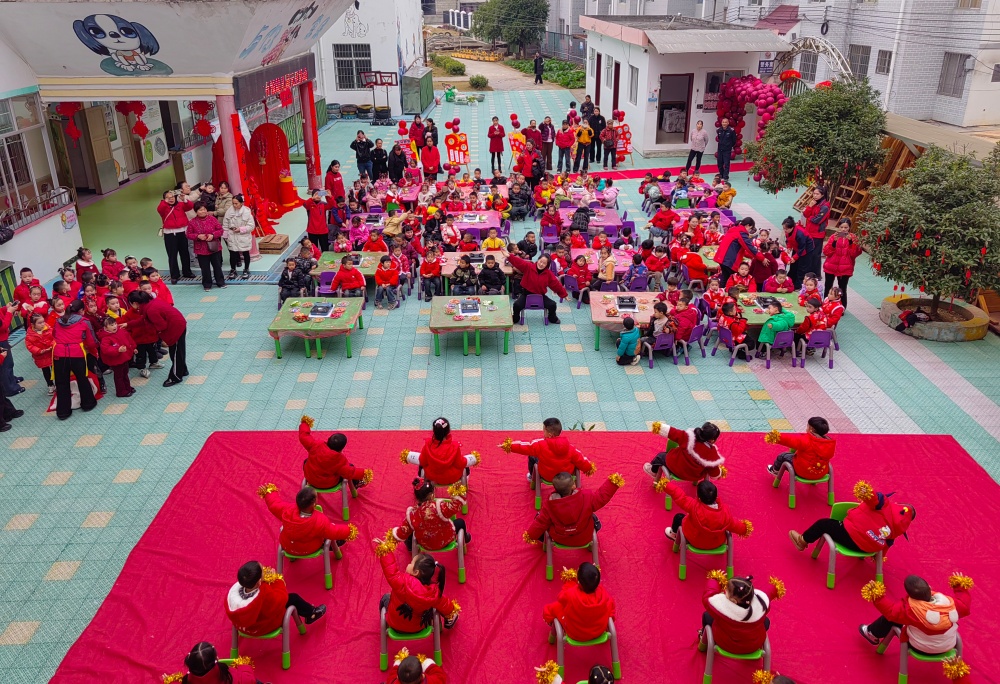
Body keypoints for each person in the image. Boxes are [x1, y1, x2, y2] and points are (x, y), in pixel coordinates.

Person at [788, 479, 916, 554]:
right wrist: (878, 557)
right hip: (868, 549)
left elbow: (873, 499)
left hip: (851, 535)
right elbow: (887, 544)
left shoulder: (884, 505)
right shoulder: (897, 529)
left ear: (899, 506)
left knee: (823, 524)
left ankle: (802, 541)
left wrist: (866, 491)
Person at [858, 573, 972, 654]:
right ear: (929, 587)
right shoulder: (950, 604)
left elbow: (890, 612)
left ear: (910, 595)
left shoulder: (909, 609)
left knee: (892, 618)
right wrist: (959, 587)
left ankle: (871, 633)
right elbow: (964, 604)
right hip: (948, 646)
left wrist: (877, 596)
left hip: (919, 647)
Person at [225, 560, 327, 636]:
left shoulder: (233, 593)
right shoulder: (264, 593)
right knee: (293, 598)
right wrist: (277, 580)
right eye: (263, 571)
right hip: (263, 627)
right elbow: (282, 598)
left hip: (243, 627)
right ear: (259, 582)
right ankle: (311, 613)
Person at [526, 470, 622, 549]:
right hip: (584, 536)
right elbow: (601, 497)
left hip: (560, 539)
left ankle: (545, 547)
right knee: (593, 518)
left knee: (541, 517)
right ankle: (590, 548)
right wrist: (613, 483)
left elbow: (540, 523)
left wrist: (531, 536)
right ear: (573, 485)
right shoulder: (587, 497)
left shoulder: (549, 505)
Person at [259, 483, 357, 556]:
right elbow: (333, 531)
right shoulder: (319, 520)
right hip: (309, 549)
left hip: (288, 546)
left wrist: (269, 492)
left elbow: (274, 505)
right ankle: (336, 551)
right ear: (314, 504)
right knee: (330, 529)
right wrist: (349, 531)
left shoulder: (286, 510)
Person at [700, 572, 783, 657]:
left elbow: (708, 597)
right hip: (753, 646)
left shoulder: (722, 609)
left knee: (707, 616)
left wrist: (714, 580)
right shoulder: (761, 604)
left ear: (733, 601)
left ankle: (703, 643)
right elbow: (767, 594)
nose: (724, 592)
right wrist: (774, 587)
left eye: (726, 591)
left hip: (727, 645)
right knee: (765, 621)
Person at [504, 417, 595, 482]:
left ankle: (532, 477)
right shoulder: (570, 448)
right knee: (574, 460)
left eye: (544, 430)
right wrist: (589, 468)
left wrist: (509, 445)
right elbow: (581, 460)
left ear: (550, 434)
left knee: (532, 456)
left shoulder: (540, 445)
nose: (543, 432)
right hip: (565, 476)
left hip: (547, 476)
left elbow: (525, 447)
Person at [392, 477, 470, 553]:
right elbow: (456, 505)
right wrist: (457, 491)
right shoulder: (439, 507)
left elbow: (402, 532)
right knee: (460, 522)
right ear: (432, 495)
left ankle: (410, 547)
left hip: (425, 544)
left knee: (410, 528)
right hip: (445, 540)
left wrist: (389, 542)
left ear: (417, 497)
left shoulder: (412, 514)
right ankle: (465, 539)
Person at [127, 291, 187, 387]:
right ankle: (182, 370)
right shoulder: (151, 304)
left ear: (134, 303)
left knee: (176, 353)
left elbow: (161, 326)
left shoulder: (151, 310)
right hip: (178, 324)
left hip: (175, 328)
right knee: (178, 351)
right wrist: (128, 324)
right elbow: (144, 320)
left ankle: (175, 377)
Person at [543, 562, 615, 642]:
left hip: (575, 633)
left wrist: (569, 581)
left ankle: (552, 637)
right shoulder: (603, 593)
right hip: (599, 631)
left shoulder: (571, 594)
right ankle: (606, 627)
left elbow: (561, 597)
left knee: (554, 607)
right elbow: (610, 605)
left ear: (578, 582)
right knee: (609, 604)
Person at [52, 300, 99, 419]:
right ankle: (88, 404)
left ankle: (63, 412)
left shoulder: (58, 321)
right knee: (82, 379)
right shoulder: (84, 321)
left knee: (61, 382)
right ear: (81, 310)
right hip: (76, 353)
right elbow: (92, 342)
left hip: (59, 354)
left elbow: (54, 335)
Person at [403, 417, 479, 486]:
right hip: (452, 477)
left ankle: (424, 487)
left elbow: (422, 461)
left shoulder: (427, 446)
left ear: (434, 431)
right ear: (448, 431)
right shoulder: (454, 447)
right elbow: (460, 463)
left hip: (432, 477)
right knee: (465, 468)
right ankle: (462, 489)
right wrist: (472, 458)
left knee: (421, 467)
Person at [644, 421, 724, 483]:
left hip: (675, 468)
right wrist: (720, 472)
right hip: (694, 476)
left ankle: (653, 471)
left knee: (660, 456)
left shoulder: (689, 437)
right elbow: (714, 474)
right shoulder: (712, 454)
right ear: (712, 440)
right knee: (707, 469)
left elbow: (673, 433)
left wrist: (659, 427)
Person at [765, 416, 835, 482]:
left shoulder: (806, 440)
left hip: (803, 471)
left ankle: (775, 471)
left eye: (807, 426)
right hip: (821, 473)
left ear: (811, 429)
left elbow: (789, 440)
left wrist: (775, 437)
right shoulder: (829, 443)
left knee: (783, 456)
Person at [157, 189, 196, 284]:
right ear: (164, 199)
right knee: (172, 255)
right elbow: (159, 209)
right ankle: (174, 275)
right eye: (168, 198)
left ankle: (187, 272)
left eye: (172, 197)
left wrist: (184, 199)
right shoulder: (163, 208)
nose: (171, 199)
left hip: (182, 233)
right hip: (170, 234)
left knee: (185, 253)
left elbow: (190, 206)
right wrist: (165, 201)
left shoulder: (180, 205)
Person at [186, 201, 226, 291]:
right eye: (200, 210)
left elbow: (220, 230)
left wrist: (213, 235)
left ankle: (220, 282)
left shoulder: (212, 219)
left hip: (214, 247)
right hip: (201, 249)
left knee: (217, 266)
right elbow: (188, 234)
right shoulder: (192, 222)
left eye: (204, 209)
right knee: (205, 268)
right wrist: (198, 236)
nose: (203, 211)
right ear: (196, 211)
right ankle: (207, 284)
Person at [822, 218, 861, 309]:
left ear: (849, 228)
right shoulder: (833, 236)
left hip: (845, 268)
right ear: (838, 227)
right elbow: (826, 252)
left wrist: (851, 242)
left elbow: (855, 254)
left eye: (846, 227)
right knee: (828, 286)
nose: (843, 229)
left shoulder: (853, 238)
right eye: (841, 227)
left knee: (842, 288)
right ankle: (825, 305)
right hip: (831, 265)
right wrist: (834, 242)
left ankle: (842, 307)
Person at [98, 317, 135, 398]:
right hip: (116, 360)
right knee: (119, 376)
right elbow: (106, 349)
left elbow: (129, 339)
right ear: (105, 327)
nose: (114, 326)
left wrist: (133, 348)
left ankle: (127, 387)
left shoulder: (121, 331)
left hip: (124, 357)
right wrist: (117, 349)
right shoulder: (105, 338)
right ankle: (121, 391)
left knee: (125, 373)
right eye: (111, 325)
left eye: (115, 324)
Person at [714, 217, 758, 285]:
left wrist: (751, 256)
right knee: (733, 280)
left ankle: (721, 290)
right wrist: (761, 257)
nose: (749, 231)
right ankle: (727, 290)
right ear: (748, 225)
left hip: (722, 258)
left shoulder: (733, 229)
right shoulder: (742, 233)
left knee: (725, 278)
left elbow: (741, 249)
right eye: (750, 228)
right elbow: (750, 248)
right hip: (730, 261)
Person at [801, 185, 830, 277]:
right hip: (809, 233)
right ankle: (808, 273)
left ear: (822, 195)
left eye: (817, 194)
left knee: (815, 255)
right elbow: (805, 214)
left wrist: (809, 218)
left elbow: (817, 220)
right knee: (808, 253)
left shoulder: (825, 207)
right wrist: (809, 206)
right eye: (814, 193)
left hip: (817, 234)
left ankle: (816, 274)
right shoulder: (814, 203)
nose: (815, 195)